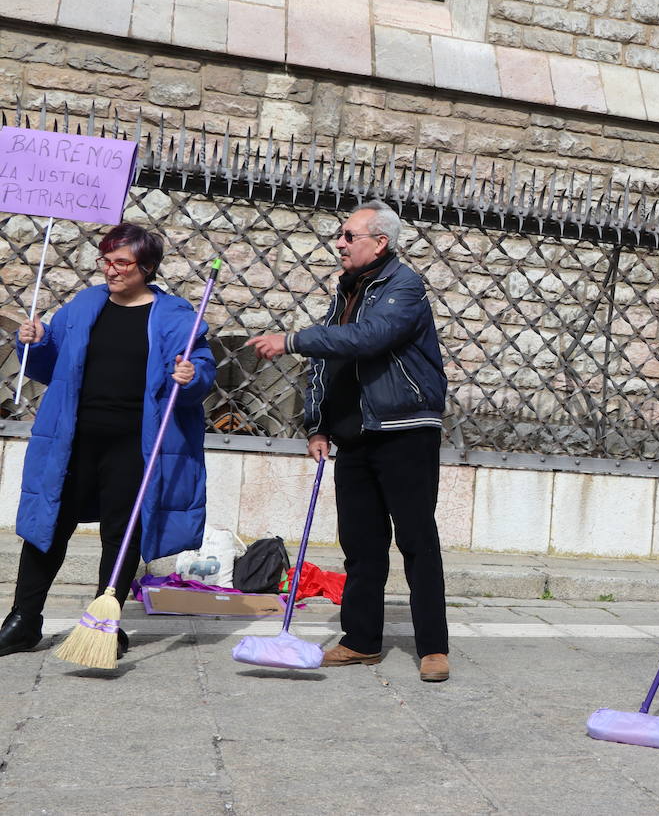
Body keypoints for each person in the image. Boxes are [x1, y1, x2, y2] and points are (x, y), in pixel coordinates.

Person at [247, 202, 450, 683]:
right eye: (339, 235)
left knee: (417, 539)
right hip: (354, 436)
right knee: (360, 543)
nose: (338, 243)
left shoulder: (405, 286)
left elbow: (369, 338)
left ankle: (434, 648)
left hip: (404, 431)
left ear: (379, 242)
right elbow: (326, 365)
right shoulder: (345, 291)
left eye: (347, 235)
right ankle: (361, 640)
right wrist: (317, 424)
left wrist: (293, 339)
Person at [0, 223, 214, 659]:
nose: (110, 270)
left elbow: (201, 374)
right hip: (72, 438)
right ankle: (23, 619)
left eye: (121, 262)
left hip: (134, 443)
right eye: (106, 260)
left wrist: (191, 378)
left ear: (147, 267)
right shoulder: (83, 305)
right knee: (48, 525)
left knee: (121, 532)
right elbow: (50, 366)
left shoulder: (175, 317)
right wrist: (36, 345)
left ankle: (105, 625)